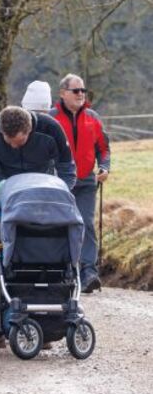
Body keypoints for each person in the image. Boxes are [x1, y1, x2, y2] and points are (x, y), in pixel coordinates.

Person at [50, 74, 110, 293]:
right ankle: (62, 270)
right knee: (60, 224)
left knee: (86, 223)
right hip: (58, 183)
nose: (81, 94)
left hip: (86, 181)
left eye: (83, 90)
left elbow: (103, 148)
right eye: (76, 91)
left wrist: (104, 167)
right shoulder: (51, 118)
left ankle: (89, 272)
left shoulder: (92, 117)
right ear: (63, 93)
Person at [0, 105, 76, 189]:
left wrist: (62, 191)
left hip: (42, 185)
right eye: (8, 142)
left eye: (20, 142)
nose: (14, 146)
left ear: (29, 130)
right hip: (4, 187)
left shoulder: (51, 128)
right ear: (1, 131)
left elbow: (66, 167)